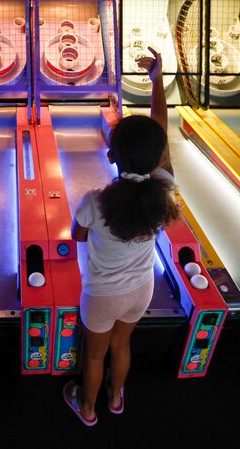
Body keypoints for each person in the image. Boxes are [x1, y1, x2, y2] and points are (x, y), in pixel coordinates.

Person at [63, 47, 179, 426]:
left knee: (94, 356)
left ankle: (89, 408)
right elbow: (158, 131)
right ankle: (115, 399)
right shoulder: (163, 190)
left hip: (101, 294)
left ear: (112, 155)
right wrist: (157, 81)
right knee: (122, 345)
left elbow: (77, 236)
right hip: (140, 290)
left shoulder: (95, 202)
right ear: (156, 157)